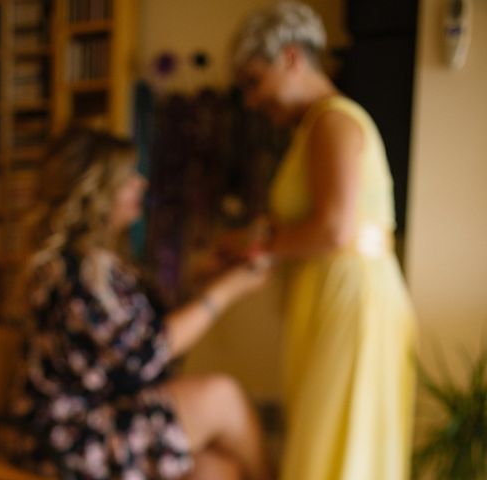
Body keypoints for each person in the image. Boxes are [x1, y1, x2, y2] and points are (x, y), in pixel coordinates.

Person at [7, 127, 274, 480]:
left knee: (218, 469)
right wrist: (227, 290)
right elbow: (148, 351)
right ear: (97, 191)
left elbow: (143, 333)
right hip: (70, 436)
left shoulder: (102, 264)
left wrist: (201, 280)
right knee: (220, 397)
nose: (141, 184)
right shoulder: (71, 271)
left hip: (107, 416)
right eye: (128, 177)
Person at [230, 2, 417, 479]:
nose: (251, 100)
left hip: (351, 300)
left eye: (255, 81)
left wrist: (255, 249)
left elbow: (333, 230)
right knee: (325, 437)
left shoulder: (333, 121)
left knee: (339, 442)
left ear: (291, 57)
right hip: (329, 296)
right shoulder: (311, 129)